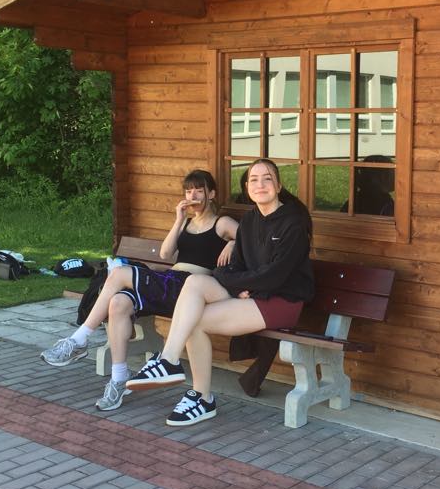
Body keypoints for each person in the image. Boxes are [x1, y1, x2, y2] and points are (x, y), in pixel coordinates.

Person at [126, 158, 314, 427]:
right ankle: (170, 362)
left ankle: (200, 396)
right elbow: (228, 267)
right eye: (253, 179)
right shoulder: (249, 221)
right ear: (247, 187)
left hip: (281, 301)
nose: (260, 184)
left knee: (194, 320)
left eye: (267, 179)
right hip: (252, 294)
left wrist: (243, 285)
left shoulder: (292, 223)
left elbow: (276, 274)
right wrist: (238, 286)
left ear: (279, 185)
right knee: (194, 283)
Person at [40, 170, 238, 412]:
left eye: (199, 190)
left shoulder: (221, 223)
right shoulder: (186, 223)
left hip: (190, 288)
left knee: (119, 274)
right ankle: (118, 377)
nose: (193, 196)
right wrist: (178, 220)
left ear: (212, 193)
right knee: (118, 303)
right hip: (170, 281)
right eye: (188, 191)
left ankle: (78, 340)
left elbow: (250, 241)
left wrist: (232, 242)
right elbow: (166, 253)